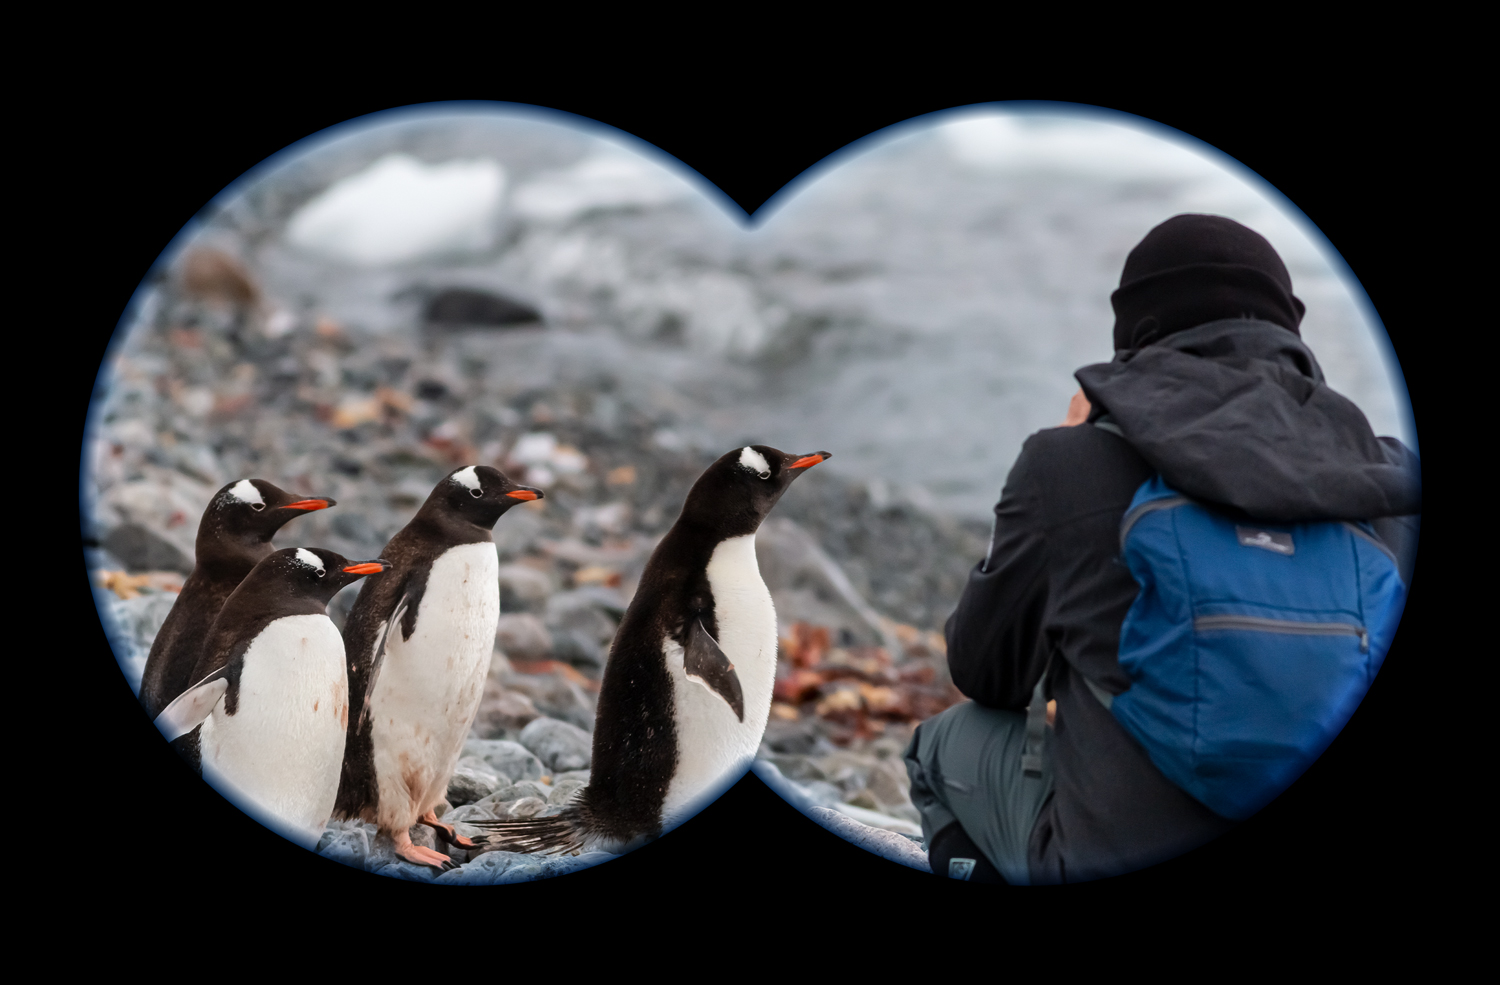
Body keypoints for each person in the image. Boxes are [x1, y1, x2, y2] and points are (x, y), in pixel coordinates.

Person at [903, 214, 1421, 884]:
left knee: (942, 744)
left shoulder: (1070, 464)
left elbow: (985, 671)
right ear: (1289, 328)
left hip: (1115, 852)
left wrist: (1057, 466)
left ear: (1137, 331)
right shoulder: (1385, 479)